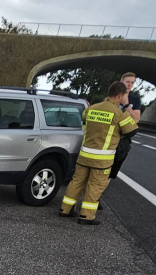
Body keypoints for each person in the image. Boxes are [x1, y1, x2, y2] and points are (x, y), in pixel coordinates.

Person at [59, 81, 138, 224]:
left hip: (84, 156)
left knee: (76, 182)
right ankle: (86, 216)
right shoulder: (119, 113)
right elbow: (132, 131)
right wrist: (126, 107)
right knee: (95, 186)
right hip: (102, 160)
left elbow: (83, 121)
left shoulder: (91, 109)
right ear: (120, 96)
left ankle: (65, 209)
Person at [107, 72, 142, 183]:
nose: (129, 85)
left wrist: (126, 105)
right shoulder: (112, 97)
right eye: (127, 82)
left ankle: (97, 197)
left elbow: (136, 119)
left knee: (110, 174)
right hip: (109, 138)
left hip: (122, 142)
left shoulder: (135, 100)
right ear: (122, 82)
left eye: (132, 82)